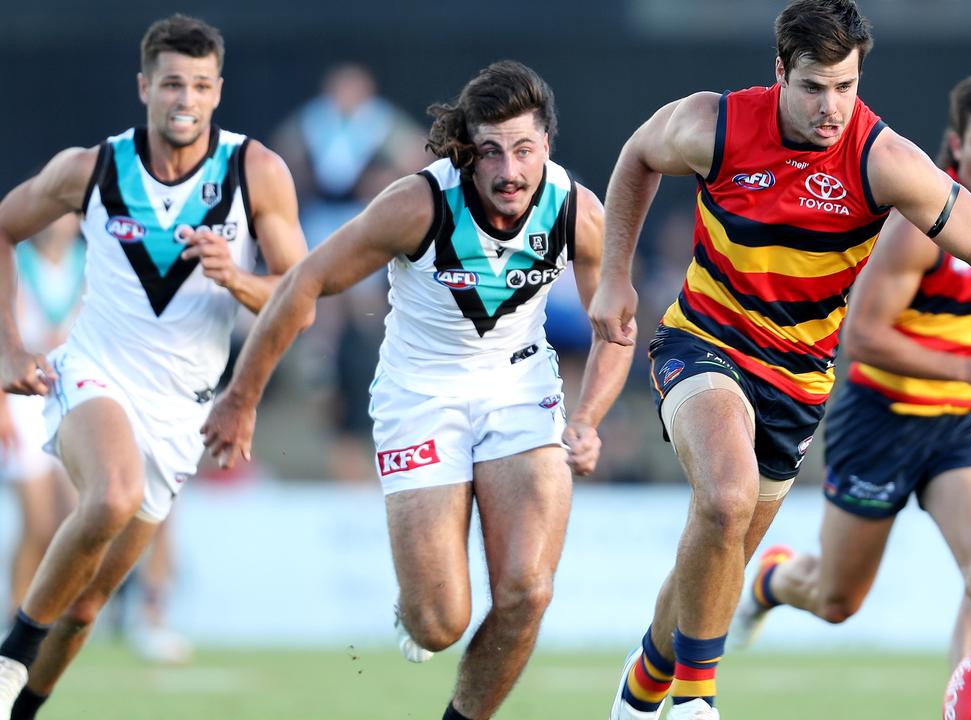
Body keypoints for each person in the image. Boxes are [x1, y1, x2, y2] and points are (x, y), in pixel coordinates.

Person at [588, 3, 971, 719]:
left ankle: (645, 680)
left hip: (796, 382)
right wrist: (616, 275)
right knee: (727, 497)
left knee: (722, 545)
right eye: (814, 88)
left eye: (846, 87)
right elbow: (638, 155)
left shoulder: (882, 160)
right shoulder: (718, 124)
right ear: (779, 73)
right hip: (704, 341)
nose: (832, 108)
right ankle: (697, 701)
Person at [201, 60, 634, 720]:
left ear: (547, 144)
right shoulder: (418, 203)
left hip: (522, 389)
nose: (510, 171)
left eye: (523, 150)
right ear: (468, 151)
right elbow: (304, 283)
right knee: (440, 622)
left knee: (528, 591)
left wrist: (589, 417)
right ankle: (414, 610)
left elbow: (616, 324)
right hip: (421, 396)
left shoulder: (579, 211)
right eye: (491, 151)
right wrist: (241, 395)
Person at [0, 14, 308, 719]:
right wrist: (10, 349)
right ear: (144, 87)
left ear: (218, 92)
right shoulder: (94, 168)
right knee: (110, 494)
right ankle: (9, 657)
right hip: (95, 374)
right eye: (172, 83)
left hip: (182, 411)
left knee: (84, 608)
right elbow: (4, 225)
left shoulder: (254, 171)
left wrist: (238, 280)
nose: (185, 100)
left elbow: (299, 296)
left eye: (200, 86)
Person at [731, 73, 971, 668]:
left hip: (960, 427)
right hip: (879, 417)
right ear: (956, 145)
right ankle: (773, 583)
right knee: (835, 600)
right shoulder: (920, 228)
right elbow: (861, 335)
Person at [272, 63, 427, 482]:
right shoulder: (313, 120)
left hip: (364, 219)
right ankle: (320, 363)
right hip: (322, 218)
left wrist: (388, 181)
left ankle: (380, 358)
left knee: (366, 296)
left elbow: (416, 153)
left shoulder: (380, 122)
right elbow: (282, 155)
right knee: (322, 291)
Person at [1, 214, 83, 618]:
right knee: (36, 523)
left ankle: (50, 615)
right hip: (23, 399)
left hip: (72, 397)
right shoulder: (16, 263)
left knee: (71, 519)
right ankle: (13, 610)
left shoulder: (92, 263)